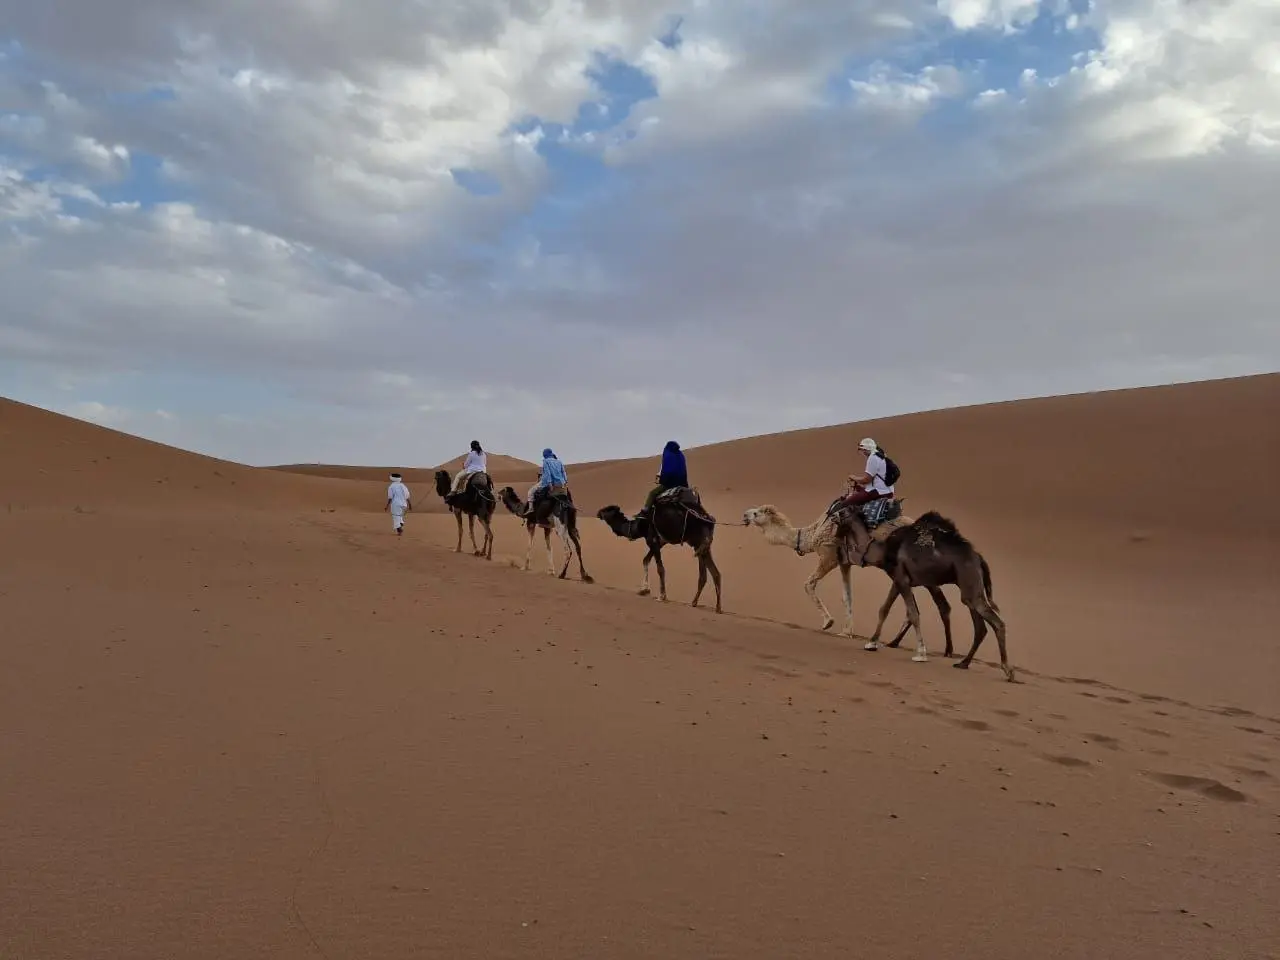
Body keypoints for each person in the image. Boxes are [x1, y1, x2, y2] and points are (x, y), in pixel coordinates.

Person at [835, 437, 894, 511]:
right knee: (859, 490)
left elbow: (866, 480)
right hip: (887, 490)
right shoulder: (880, 456)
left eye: (862, 450)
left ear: (866, 449)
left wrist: (853, 478)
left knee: (845, 504)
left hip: (878, 492)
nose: (862, 452)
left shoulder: (873, 458)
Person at [639, 440, 688, 517]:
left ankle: (645, 512)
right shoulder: (680, 455)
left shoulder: (669, 455)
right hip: (683, 483)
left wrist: (663, 480)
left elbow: (668, 471)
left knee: (652, 493)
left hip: (671, 484)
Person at [525, 448, 569, 516]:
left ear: (544, 455)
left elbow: (548, 473)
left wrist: (550, 484)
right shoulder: (559, 462)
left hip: (548, 483)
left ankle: (531, 508)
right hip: (561, 483)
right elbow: (563, 472)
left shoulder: (546, 461)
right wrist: (565, 481)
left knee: (530, 491)